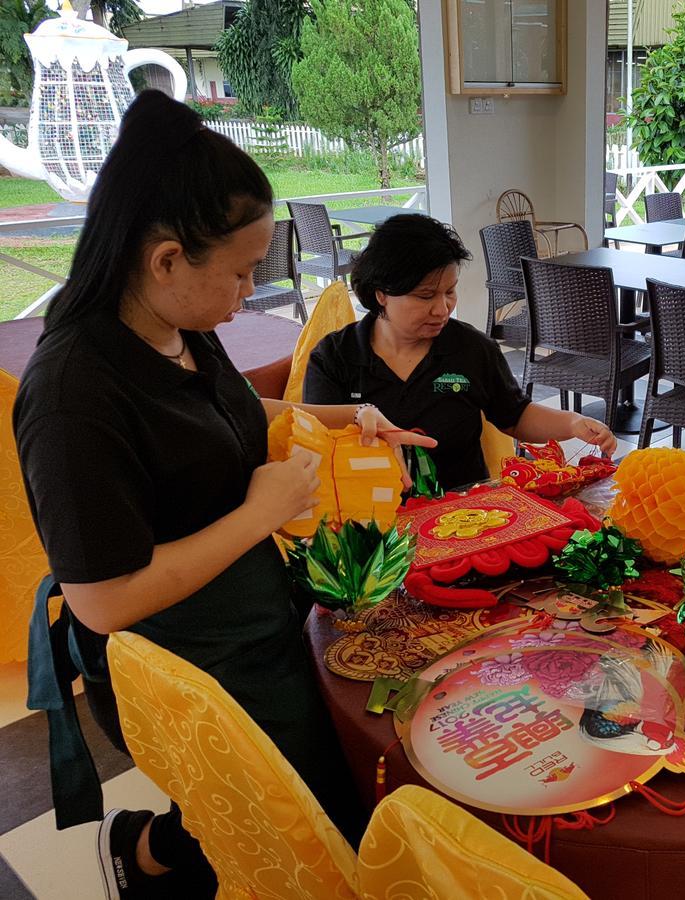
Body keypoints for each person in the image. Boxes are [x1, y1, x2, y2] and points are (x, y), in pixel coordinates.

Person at [14, 92, 435, 899]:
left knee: (344, 746)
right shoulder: (74, 391)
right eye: (242, 271)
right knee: (310, 809)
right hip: (177, 654)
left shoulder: (177, 330)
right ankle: (157, 859)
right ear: (166, 259)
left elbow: (228, 418)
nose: (252, 289)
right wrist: (259, 514)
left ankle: (154, 848)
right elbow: (102, 601)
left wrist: (346, 417)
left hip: (250, 608)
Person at [302, 214, 617, 490]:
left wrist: (572, 423)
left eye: (449, 292)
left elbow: (514, 415)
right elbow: (319, 443)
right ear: (381, 293)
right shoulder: (334, 358)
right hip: (371, 522)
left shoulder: (470, 348)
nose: (443, 309)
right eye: (425, 296)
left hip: (467, 511)